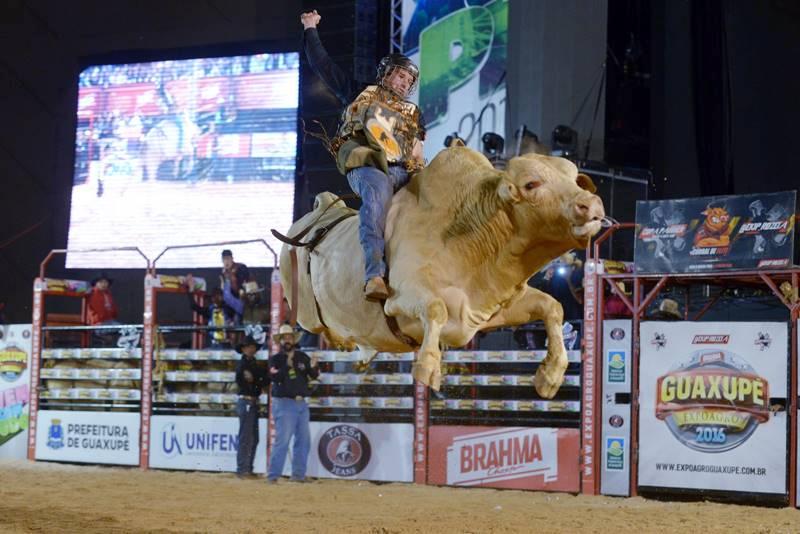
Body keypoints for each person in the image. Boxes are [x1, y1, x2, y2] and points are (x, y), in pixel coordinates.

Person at [302, 10, 426, 301]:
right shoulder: (360, 92)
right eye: (399, 74)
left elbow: (418, 149)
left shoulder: (414, 114)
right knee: (377, 197)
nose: (403, 82)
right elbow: (323, 65)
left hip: (402, 169)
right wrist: (310, 29)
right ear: (386, 74)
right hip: (366, 162)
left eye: (408, 79)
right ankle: (373, 275)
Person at [267, 323, 320, 483]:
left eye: (289, 337)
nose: (287, 340)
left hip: (301, 403)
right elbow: (274, 378)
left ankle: (298, 475)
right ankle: (274, 476)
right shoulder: (275, 360)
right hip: (284, 403)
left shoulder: (302, 357)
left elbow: (313, 376)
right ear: (280, 341)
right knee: (283, 441)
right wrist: (286, 366)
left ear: (293, 339)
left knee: (303, 441)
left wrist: (314, 367)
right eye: (284, 338)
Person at [235, 336, 268, 479]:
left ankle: (246, 468)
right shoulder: (244, 365)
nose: (251, 349)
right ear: (243, 349)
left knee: (252, 437)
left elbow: (259, 380)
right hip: (248, 401)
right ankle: (243, 469)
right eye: (248, 346)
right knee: (248, 437)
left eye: (252, 346)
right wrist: (260, 381)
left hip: (251, 402)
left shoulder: (251, 364)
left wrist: (259, 380)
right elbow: (255, 381)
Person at [185, 275, 237, 347]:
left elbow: (231, 301)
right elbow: (194, 307)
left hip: (226, 343)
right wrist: (190, 290)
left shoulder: (228, 308)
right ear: (212, 298)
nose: (217, 298)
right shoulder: (210, 310)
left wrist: (226, 283)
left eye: (219, 295)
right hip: (213, 343)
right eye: (215, 296)